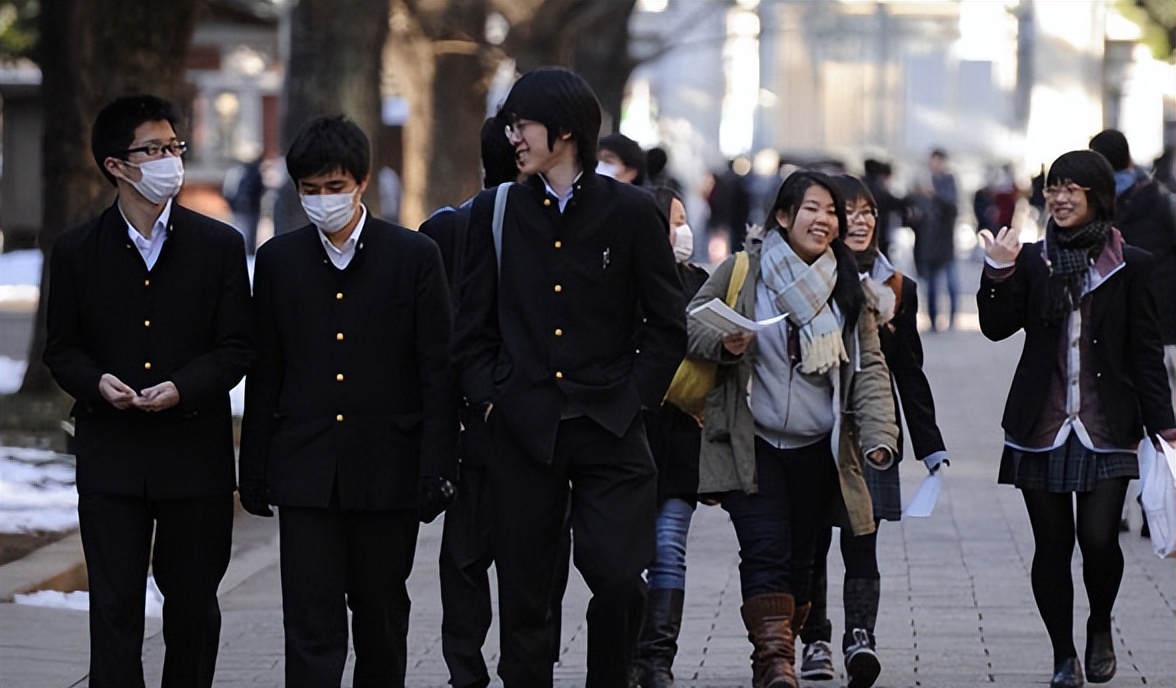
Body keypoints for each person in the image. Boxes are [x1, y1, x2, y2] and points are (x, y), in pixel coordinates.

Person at [455, 67, 686, 688]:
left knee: (617, 577)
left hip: (611, 426)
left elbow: (667, 324)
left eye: (521, 125)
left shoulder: (633, 213)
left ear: (564, 132)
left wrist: (635, 399)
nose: (512, 138)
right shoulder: (493, 212)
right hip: (522, 428)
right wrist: (489, 400)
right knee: (527, 593)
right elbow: (471, 328)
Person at [238, 115, 457, 688]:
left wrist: (437, 468)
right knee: (310, 620)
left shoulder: (412, 256)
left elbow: (438, 371)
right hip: (305, 468)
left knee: (381, 614)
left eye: (334, 187)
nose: (322, 201)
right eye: (309, 190)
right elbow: (266, 371)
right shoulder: (281, 261)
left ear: (361, 181)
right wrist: (254, 469)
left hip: (388, 468)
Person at [43, 94, 253, 688]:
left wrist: (183, 388)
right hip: (112, 459)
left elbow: (238, 346)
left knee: (192, 609)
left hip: (195, 461)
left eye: (174, 147)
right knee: (113, 611)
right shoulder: (78, 251)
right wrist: (95, 383)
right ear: (116, 165)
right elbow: (61, 349)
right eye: (154, 149)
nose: (170, 159)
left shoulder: (216, 246)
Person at [685, 171, 898, 688]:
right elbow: (691, 322)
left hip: (817, 449)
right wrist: (724, 341)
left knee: (804, 559)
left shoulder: (850, 288)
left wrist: (879, 438)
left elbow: (868, 369)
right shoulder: (743, 271)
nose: (824, 220)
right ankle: (774, 663)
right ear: (783, 216)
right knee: (764, 549)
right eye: (812, 209)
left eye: (831, 212)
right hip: (751, 441)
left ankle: (784, 642)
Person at [976, 150, 1176, 688]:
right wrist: (997, 270)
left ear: (1097, 198)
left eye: (1073, 190)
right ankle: (1063, 654)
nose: (1060, 198)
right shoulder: (1033, 259)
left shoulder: (1131, 264)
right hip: (1040, 423)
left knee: (1099, 540)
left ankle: (1100, 623)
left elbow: (1145, 352)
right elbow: (996, 327)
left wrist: (1166, 426)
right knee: (1052, 545)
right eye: (1053, 189)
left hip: (1107, 423)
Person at [798, 175, 951, 688]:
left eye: (869, 212)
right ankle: (815, 637)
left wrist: (930, 445)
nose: (861, 221)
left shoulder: (896, 286)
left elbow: (909, 368)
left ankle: (860, 636)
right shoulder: (800, 278)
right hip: (813, 428)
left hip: (872, 436)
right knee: (812, 539)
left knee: (862, 539)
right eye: (850, 211)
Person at [630, 187, 710, 688]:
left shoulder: (701, 284)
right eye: (673, 221)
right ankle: (624, 648)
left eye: (684, 219)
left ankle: (656, 658)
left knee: (668, 546)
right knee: (622, 558)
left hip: (681, 438)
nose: (683, 231)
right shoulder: (620, 283)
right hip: (626, 439)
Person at [1088, 130, 1176, 417]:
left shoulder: (1093, 205)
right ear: (1128, 158)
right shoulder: (1158, 197)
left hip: (1118, 314)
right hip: (1166, 311)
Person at [912, 149, 960, 331]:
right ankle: (933, 321)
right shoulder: (921, 180)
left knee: (951, 283)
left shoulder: (948, 181)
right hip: (927, 243)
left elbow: (952, 207)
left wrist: (934, 194)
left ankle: (952, 319)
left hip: (946, 242)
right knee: (931, 285)